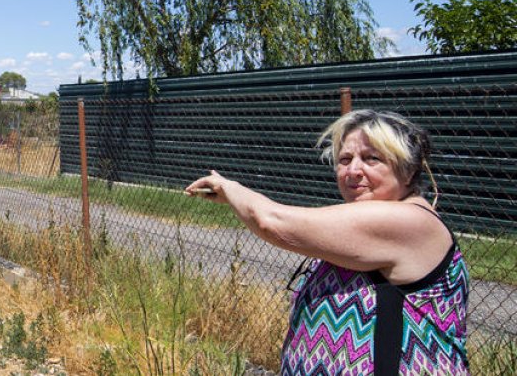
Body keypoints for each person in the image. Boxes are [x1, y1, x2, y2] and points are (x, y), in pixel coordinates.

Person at [185, 109, 469, 375]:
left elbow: (272, 223)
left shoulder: (411, 221)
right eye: (345, 160)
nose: (353, 171)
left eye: (372, 159)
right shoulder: (370, 219)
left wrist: (229, 187)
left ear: (408, 170)